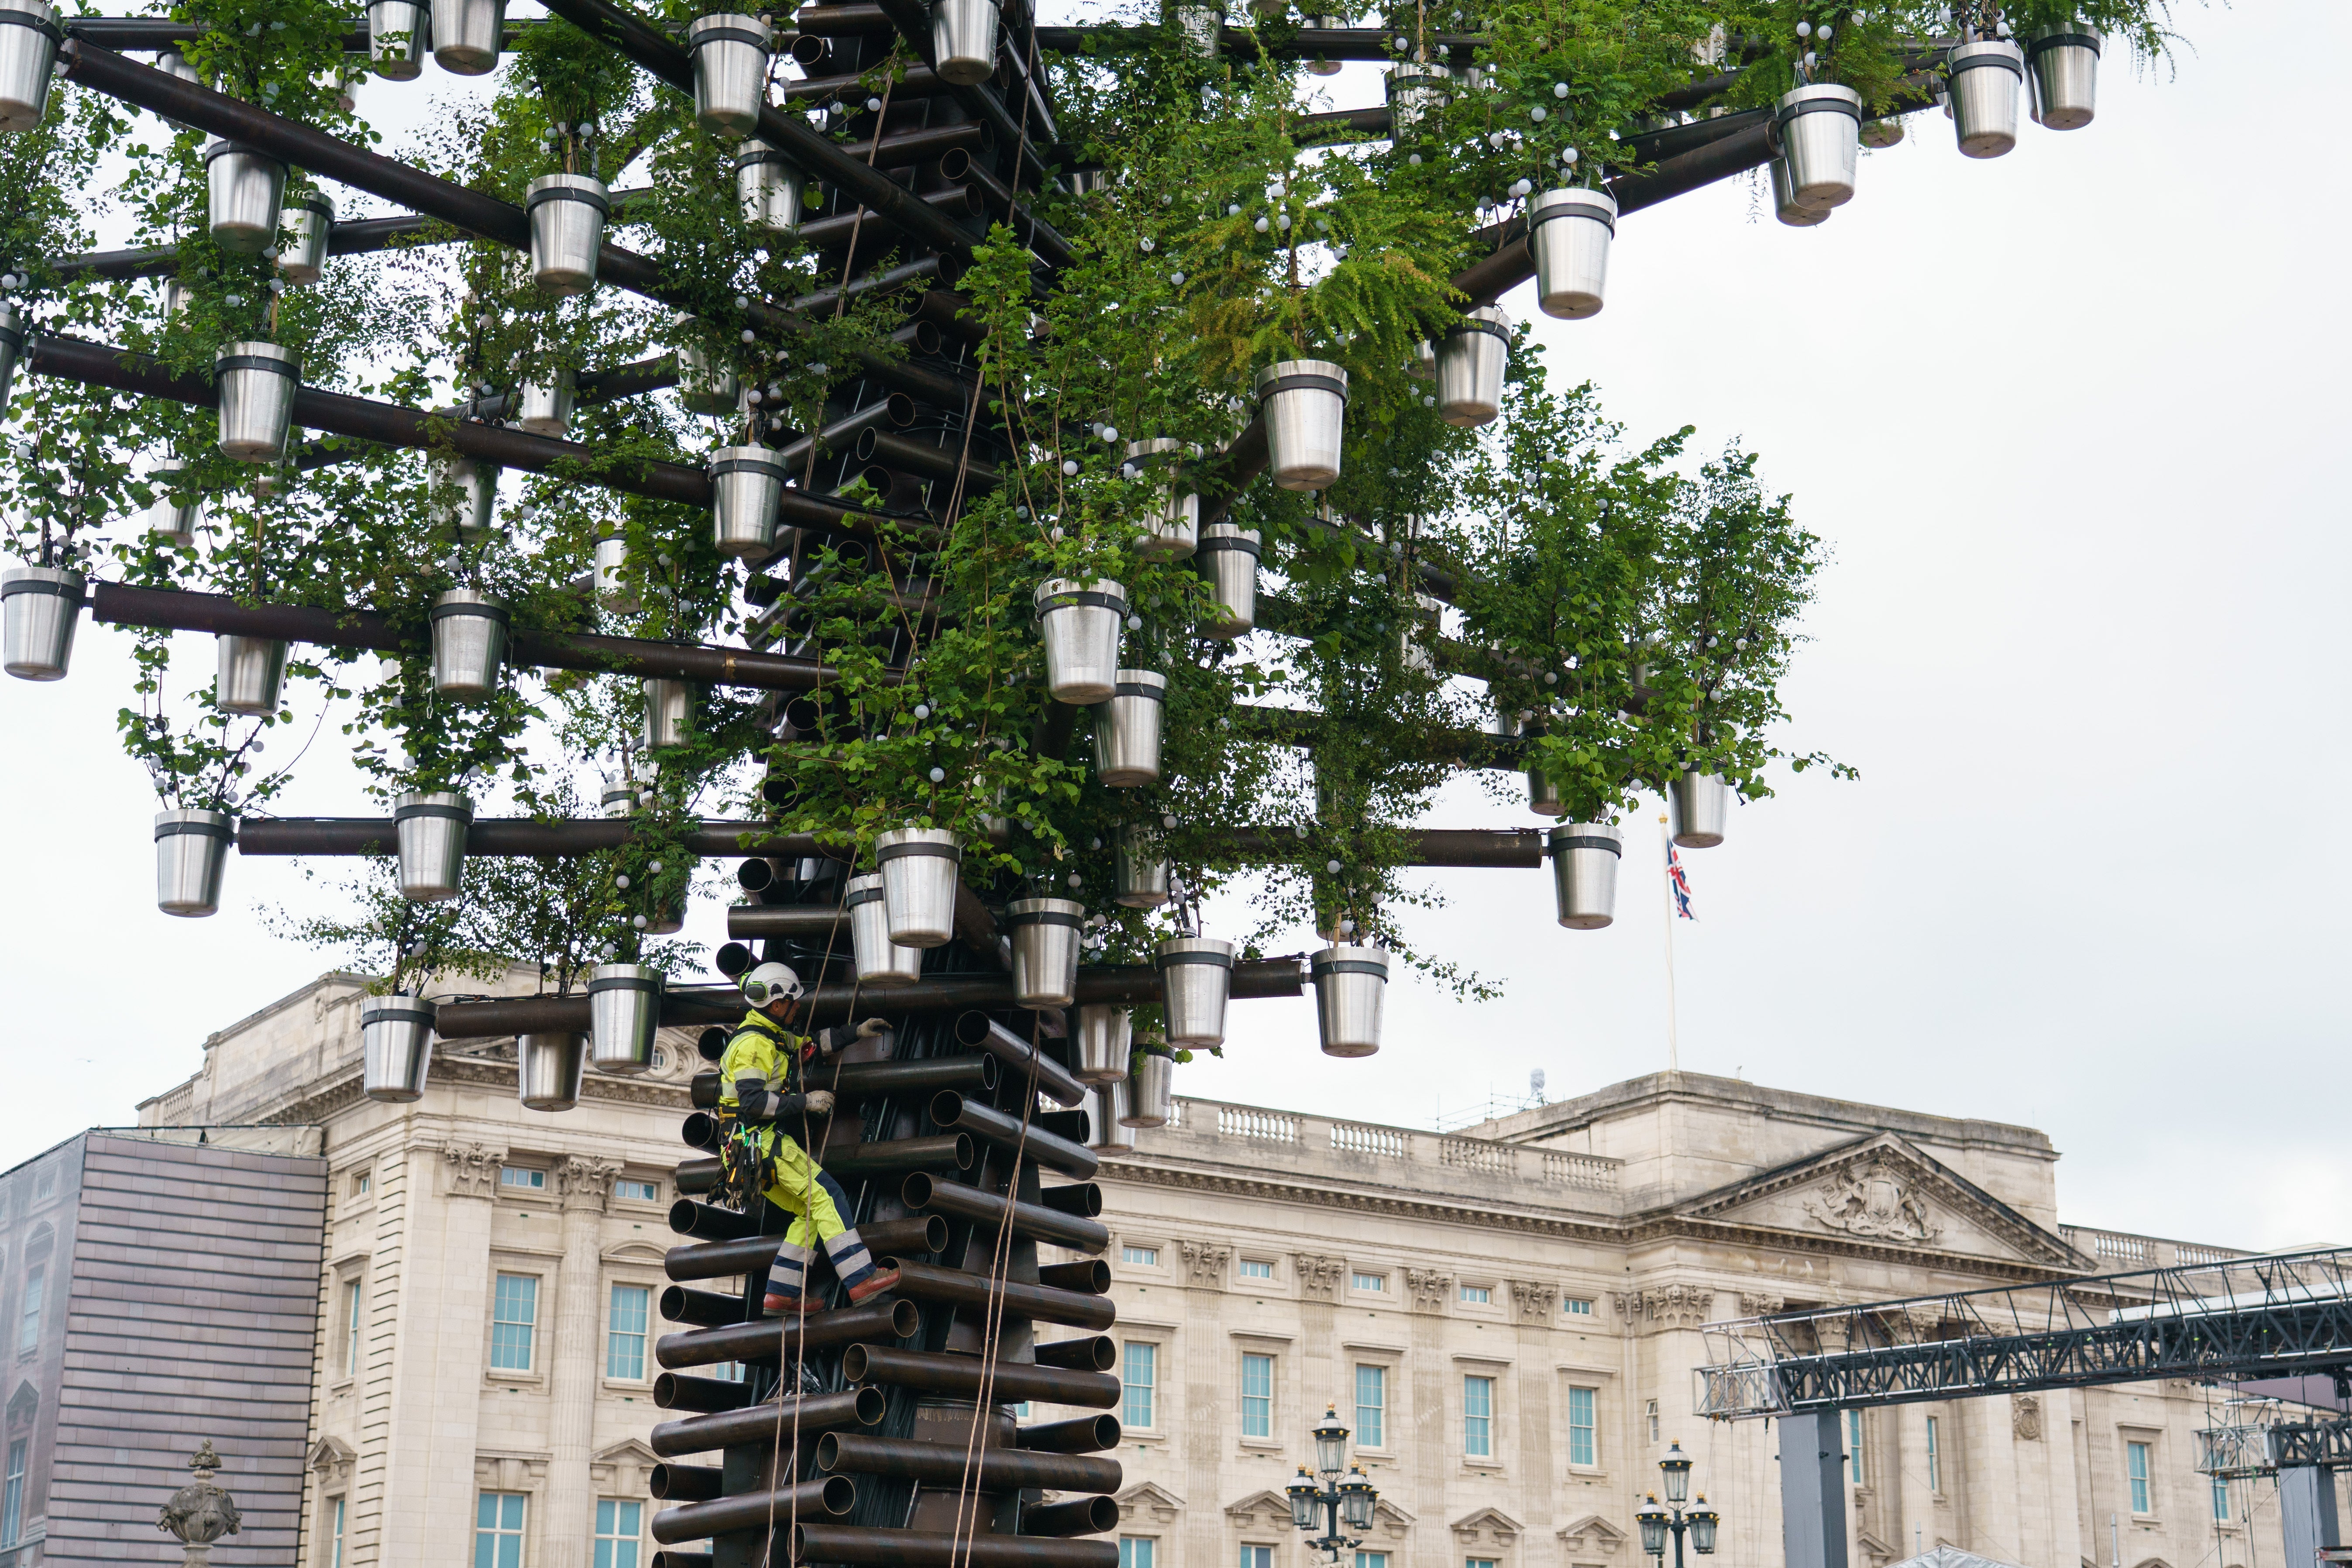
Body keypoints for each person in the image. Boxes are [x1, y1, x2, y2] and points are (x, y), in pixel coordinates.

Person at [717, 961, 899, 1312]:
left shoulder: (770, 1035)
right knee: (828, 1196)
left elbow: (812, 1044)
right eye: (792, 1001)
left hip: (746, 1149)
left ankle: (782, 1293)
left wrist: (857, 1032)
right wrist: (806, 1102)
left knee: (809, 1212)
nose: (798, 1006)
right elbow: (753, 1102)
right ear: (775, 1004)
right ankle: (862, 1278)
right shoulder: (754, 1044)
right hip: (760, 1142)